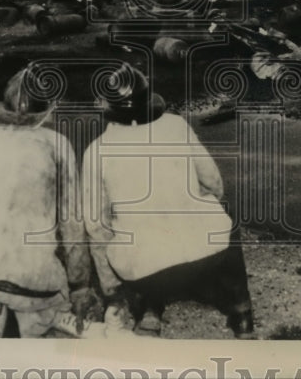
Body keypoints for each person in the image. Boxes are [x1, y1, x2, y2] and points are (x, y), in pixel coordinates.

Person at [81, 63, 255, 338]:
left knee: (130, 233)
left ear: (108, 109)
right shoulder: (176, 125)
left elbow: (96, 226)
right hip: (208, 254)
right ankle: (242, 311)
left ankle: (150, 309)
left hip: (144, 266)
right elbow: (214, 183)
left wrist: (112, 289)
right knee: (222, 214)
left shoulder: (96, 151)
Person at [0, 63, 104, 338]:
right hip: (30, 280)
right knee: (43, 309)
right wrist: (79, 286)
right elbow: (71, 222)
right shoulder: (56, 144)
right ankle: (36, 320)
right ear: (45, 110)